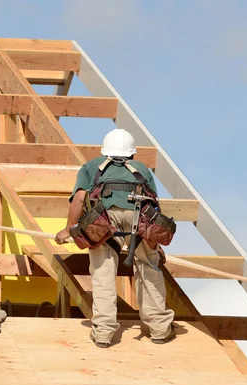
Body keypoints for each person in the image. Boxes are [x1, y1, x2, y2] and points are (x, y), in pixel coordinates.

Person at [55, 128, 176, 348]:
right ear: (132, 153)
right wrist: (154, 244)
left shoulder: (91, 167)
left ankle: (103, 333)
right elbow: (154, 206)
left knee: (103, 273)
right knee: (149, 268)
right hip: (141, 219)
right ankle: (159, 329)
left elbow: (80, 199)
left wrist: (69, 229)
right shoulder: (142, 169)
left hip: (105, 221)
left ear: (104, 151)